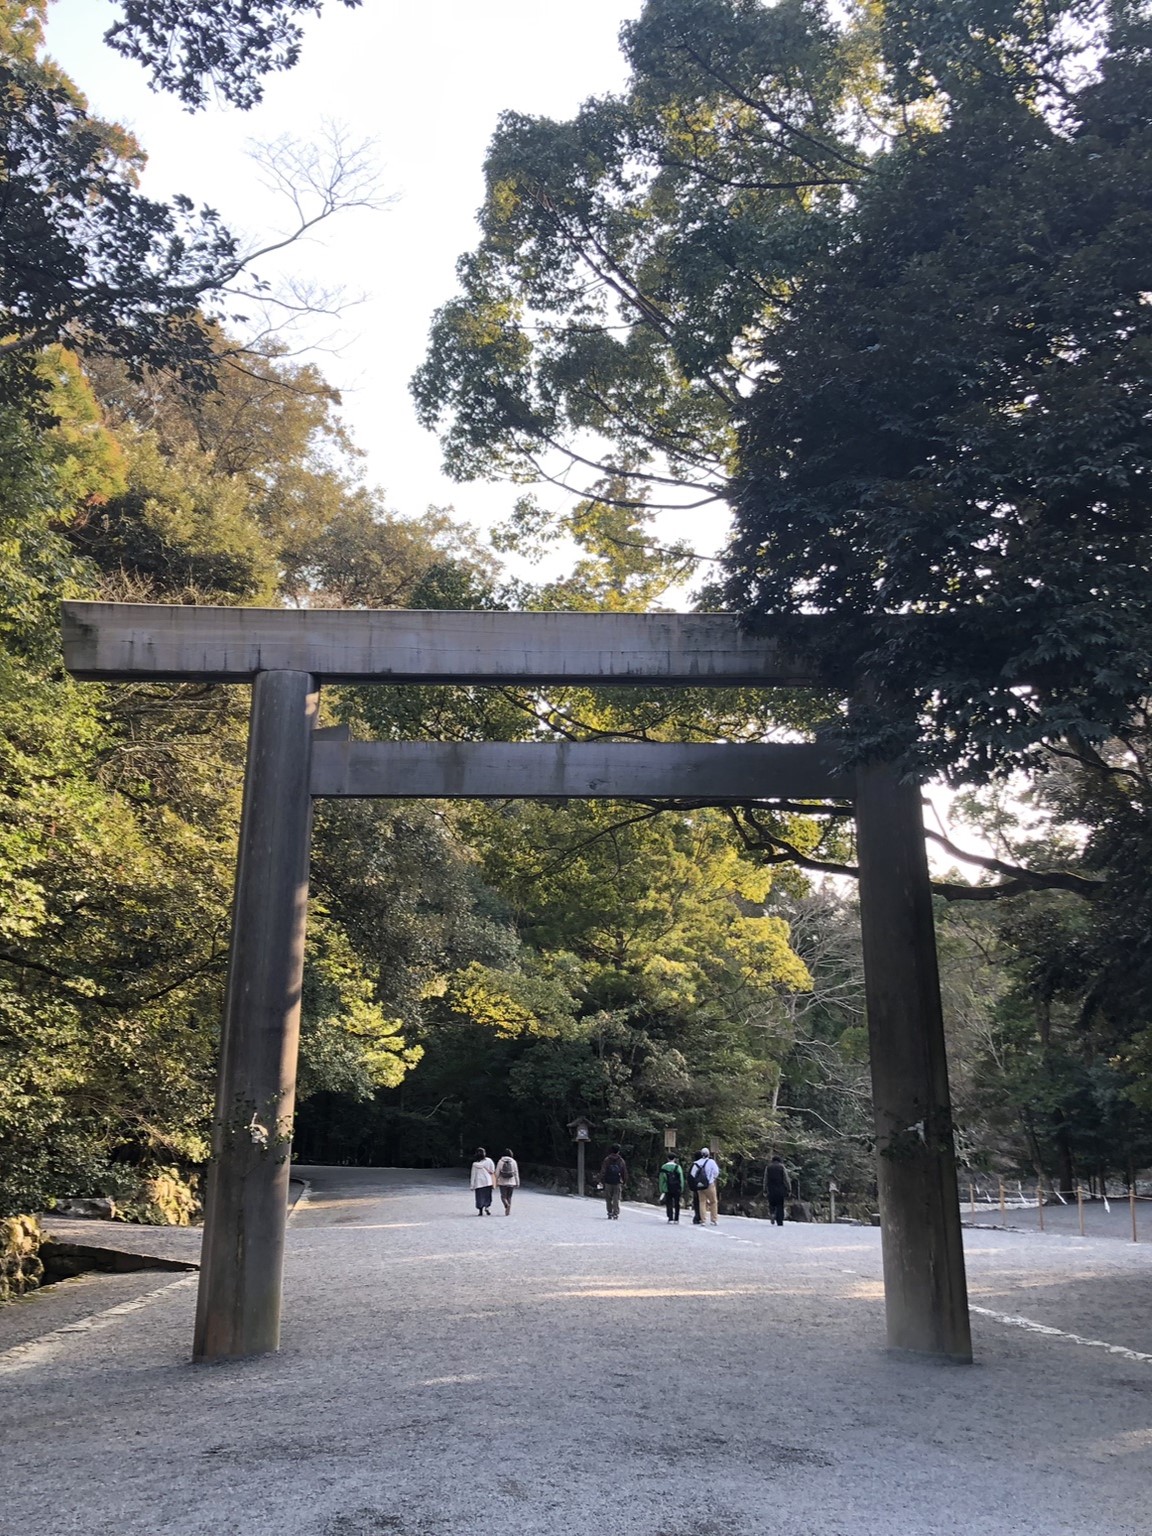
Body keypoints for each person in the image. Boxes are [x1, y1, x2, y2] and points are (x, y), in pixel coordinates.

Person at [691, 1147, 720, 1226]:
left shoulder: (696, 1163)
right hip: (709, 1184)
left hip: (700, 1185)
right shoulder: (711, 1162)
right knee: (713, 1201)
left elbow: (693, 1174)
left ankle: (703, 1220)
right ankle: (713, 1219)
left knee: (702, 1202)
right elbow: (716, 1172)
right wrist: (712, 1178)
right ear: (708, 1154)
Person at [599, 1144, 628, 1219]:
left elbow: (603, 1171)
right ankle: (615, 1212)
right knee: (616, 1197)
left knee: (608, 1198)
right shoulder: (621, 1160)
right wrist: (624, 1181)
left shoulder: (607, 1159)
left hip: (608, 1181)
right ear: (618, 1151)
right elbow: (624, 1172)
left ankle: (609, 1212)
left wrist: (601, 1180)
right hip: (617, 1181)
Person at [470, 1146, 495, 1215]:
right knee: (487, 1196)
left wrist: (472, 1185)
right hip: (487, 1181)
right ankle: (487, 1207)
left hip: (479, 1183)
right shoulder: (489, 1161)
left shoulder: (474, 1164)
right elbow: (492, 1171)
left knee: (479, 1197)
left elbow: (473, 1175)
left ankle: (480, 1211)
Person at [766, 1154, 790, 1227]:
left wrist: (764, 1189)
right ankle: (779, 1221)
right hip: (780, 1189)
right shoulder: (782, 1167)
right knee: (780, 1205)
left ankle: (772, 1213)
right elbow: (786, 1179)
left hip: (771, 1189)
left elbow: (765, 1179)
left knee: (772, 1204)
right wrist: (789, 1188)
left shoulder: (768, 1167)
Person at [659, 1155, 684, 1223]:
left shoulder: (664, 1167)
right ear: (675, 1159)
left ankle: (670, 1218)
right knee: (676, 1203)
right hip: (677, 1187)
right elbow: (681, 1178)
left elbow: (662, 1179)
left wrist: (661, 1188)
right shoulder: (678, 1167)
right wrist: (681, 1187)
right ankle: (676, 1218)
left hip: (667, 1188)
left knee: (669, 1203)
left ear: (667, 1158)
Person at [495, 1148, 520, 1214]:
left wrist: (495, 1181)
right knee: (509, 1197)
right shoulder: (513, 1162)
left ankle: (506, 1205)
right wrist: (517, 1182)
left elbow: (497, 1172)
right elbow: (516, 1172)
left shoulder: (500, 1161)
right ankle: (508, 1211)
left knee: (503, 1196)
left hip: (502, 1182)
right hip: (511, 1182)